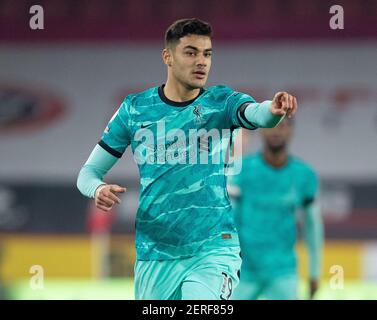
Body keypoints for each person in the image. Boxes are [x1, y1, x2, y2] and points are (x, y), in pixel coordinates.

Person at [77, 18, 298, 300]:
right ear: (167, 57)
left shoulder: (222, 102)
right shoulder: (135, 110)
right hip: (154, 254)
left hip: (214, 249)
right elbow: (88, 172)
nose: (201, 62)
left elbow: (256, 113)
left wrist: (273, 109)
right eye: (191, 52)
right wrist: (97, 188)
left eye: (207, 54)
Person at [229, 118, 323, 300]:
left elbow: (313, 226)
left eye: (282, 126)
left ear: (291, 130)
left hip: (283, 271)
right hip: (244, 271)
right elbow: (229, 220)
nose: (276, 131)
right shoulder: (242, 170)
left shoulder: (304, 175)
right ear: (262, 130)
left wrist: (314, 271)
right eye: (270, 125)